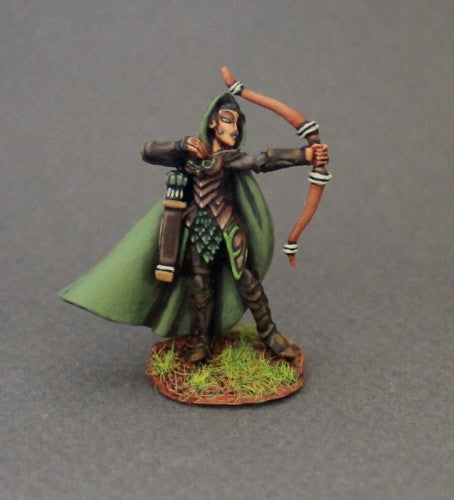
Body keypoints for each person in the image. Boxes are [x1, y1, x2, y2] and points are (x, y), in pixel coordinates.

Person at [60, 93, 329, 363]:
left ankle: (270, 335)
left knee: (247, 282)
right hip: (198, 229)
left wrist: (304, 155)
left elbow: (260, 161)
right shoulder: (190, 156)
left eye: (237, 124)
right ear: (212, 123)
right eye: (228, 120)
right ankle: (201, 341)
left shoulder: (229, 159)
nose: (234, 129)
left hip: (228, 229)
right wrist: (181, 145)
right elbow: (147, 151)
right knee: (200, 287)